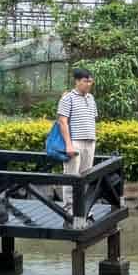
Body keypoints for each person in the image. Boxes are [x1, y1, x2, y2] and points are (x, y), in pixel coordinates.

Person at [56, 68, 98, 216]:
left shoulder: (91, 98)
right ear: (77, 81)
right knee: (71, 175)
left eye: (90, 81)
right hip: (75, 142)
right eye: (85, 81)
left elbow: (92, 119)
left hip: (90, 141)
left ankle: (84, 207)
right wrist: (68, 144)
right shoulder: (68, 98)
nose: (88, 84)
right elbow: (62, 122)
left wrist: (93, 137)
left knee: (86, 176)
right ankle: (69, 209)